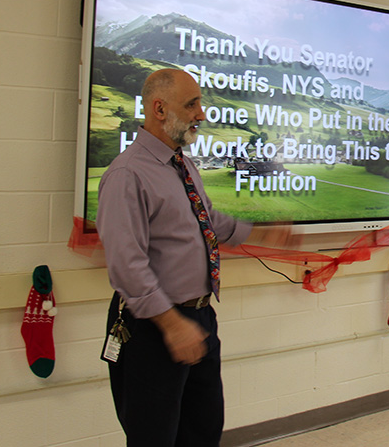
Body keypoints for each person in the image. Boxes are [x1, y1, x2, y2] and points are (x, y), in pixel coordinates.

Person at [97, 68, 294, 446]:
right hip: (154, 327)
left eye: (199, 103)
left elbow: (205, 220)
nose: (201, 114)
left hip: (199, 318)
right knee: (154, 437)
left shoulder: (182, 164)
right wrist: (172, 325)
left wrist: (259, 232)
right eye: (191, 104)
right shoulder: (127, 175)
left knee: (202, 431)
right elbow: (127, 266)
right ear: (159, 108)